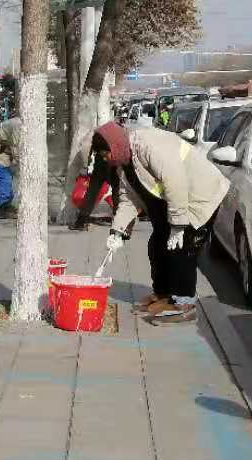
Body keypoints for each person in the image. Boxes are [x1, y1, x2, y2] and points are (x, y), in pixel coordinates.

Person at [95, 121, 229, 324]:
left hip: (199, 196)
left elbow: (175, 181)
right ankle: (164, 294)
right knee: (157, 245)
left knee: (182, 250)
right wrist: (118, 232)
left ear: (115, 145)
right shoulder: (124, 162)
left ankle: (184, 303)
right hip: (174, 202)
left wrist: (178, 226)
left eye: (106, 153)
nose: (106, 159)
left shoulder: (148, 146)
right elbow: (128, 199)